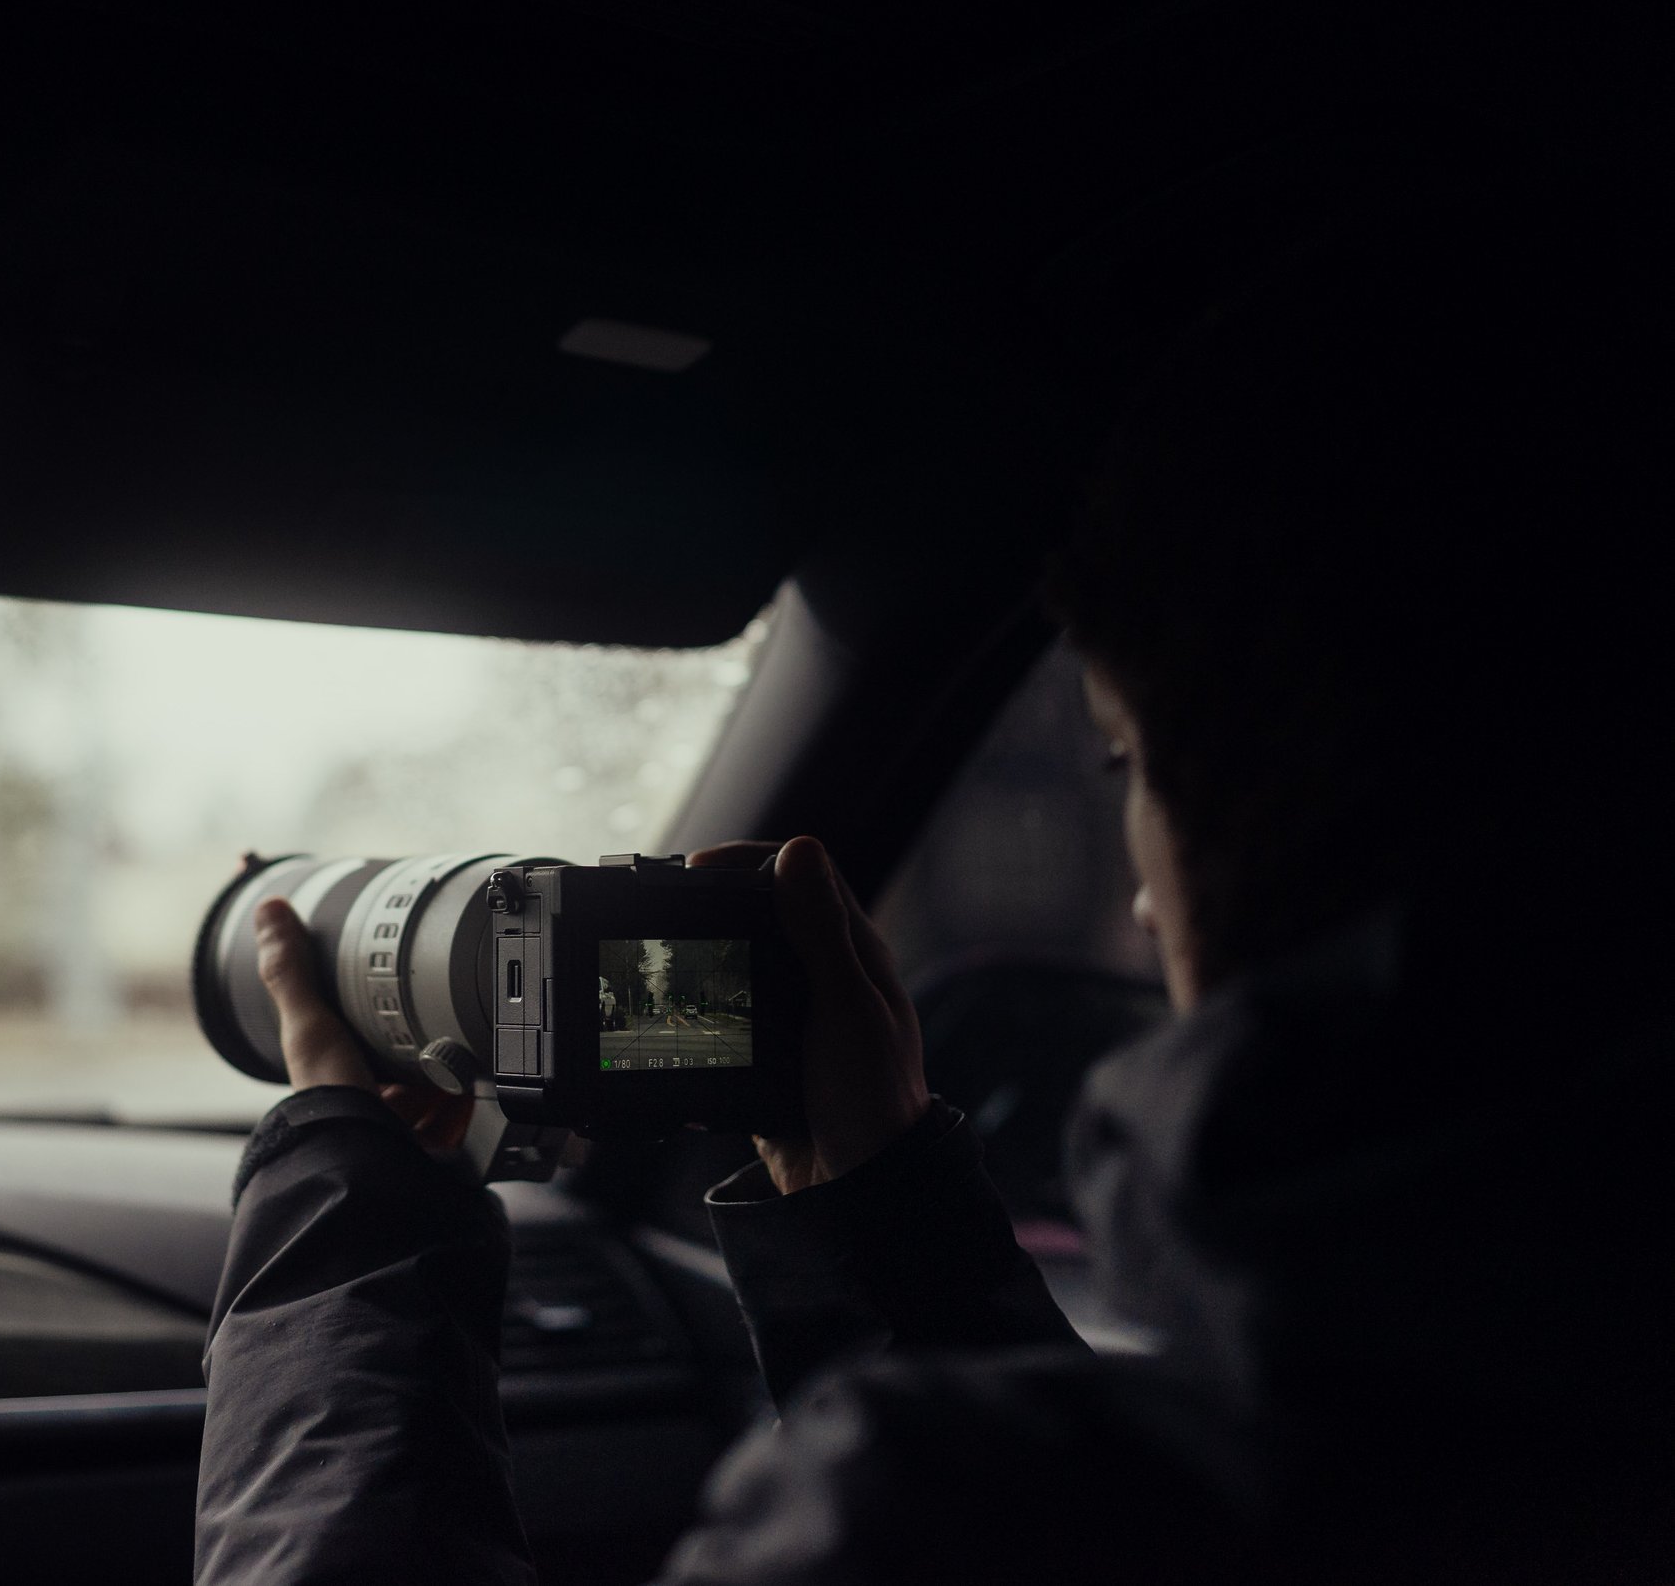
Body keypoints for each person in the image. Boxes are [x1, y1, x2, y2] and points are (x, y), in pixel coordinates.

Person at [192, 177, 1673, 1583]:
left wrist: (347, 1211)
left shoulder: (926, 1523)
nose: (1145, 900)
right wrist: (884, 1208)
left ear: (1291, 802)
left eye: (1122, 766)